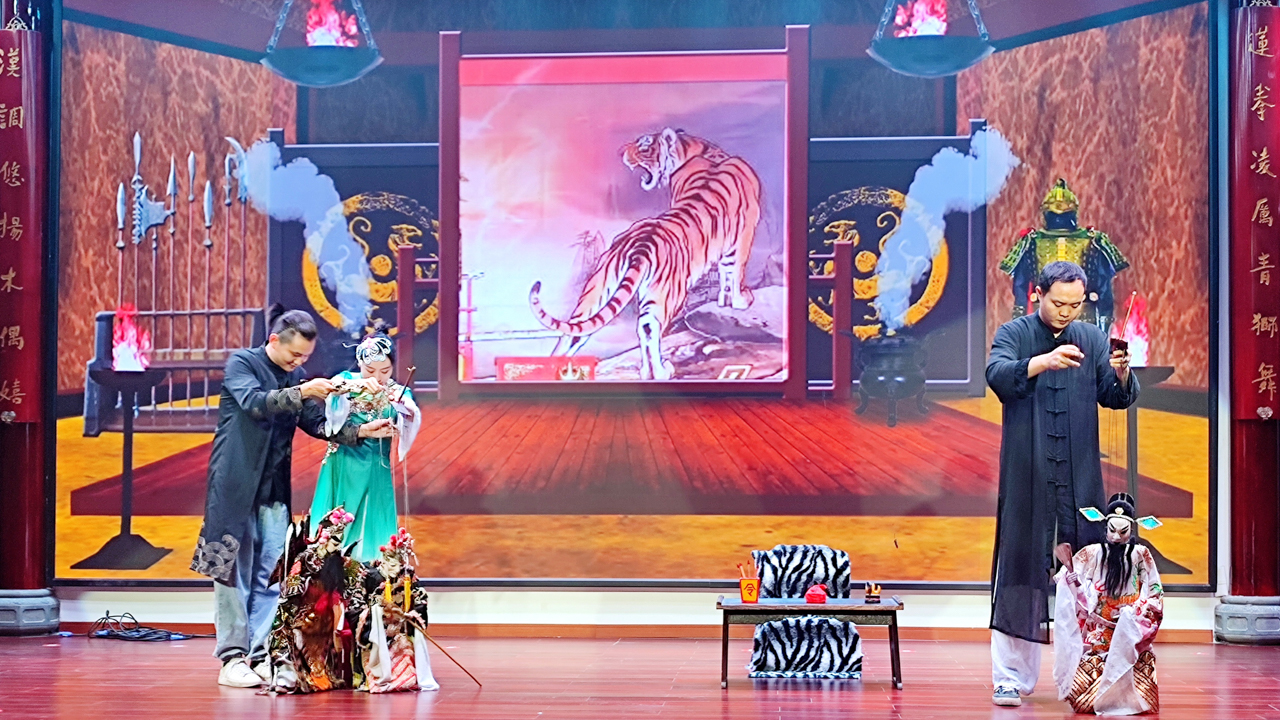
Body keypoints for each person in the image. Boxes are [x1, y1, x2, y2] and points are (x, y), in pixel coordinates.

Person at [190, 306, 394, 688]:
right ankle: (231, 658)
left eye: (304, 357)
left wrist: (361, 431)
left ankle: (260, 655)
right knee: (232, 573)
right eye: (295, 354)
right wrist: (303, 390)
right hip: (234, 488)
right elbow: (255, 403)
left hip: (274, 491)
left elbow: (316, 423)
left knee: (272, 575)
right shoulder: (242, 364)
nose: (299, 362)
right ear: (274, 340)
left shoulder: (295, 376)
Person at [984, 261, 1139, 708]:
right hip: (1027, 472)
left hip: (1079, 474)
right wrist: (1042, 362)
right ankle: (1010, 678)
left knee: (1085, 578)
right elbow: (997, 374)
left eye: (1075, 305)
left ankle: (1081, 679)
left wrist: (1122, 374)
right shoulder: (1015, 333)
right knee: (1019, 574)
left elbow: (1114, 396)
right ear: (1038, 294)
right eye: (1058, 303)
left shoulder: (1091, 338)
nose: (1067, 312)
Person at [309, 332, 421, 562]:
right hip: (344, 459)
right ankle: (332, 570)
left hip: (376, 462)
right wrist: (357, 383)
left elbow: (410, 415)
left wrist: (403, 407)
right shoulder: (346, 381)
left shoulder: (397, 391)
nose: (378, 377)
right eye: (370, 370)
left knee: (373, 515)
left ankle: (372, 569)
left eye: (385, 371)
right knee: (339, 516)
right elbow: (332, 389)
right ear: (359, 363)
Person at [1053, 493, 1163, 715]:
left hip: (1129, 629)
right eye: (1112, 531)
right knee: (1084, 703)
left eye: (1123, 532)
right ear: (1105, 527)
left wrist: (1134, 613)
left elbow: (1154, 592)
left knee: (1142, 698)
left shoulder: (1141, 554)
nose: (1116, 537)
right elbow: (1066, 578)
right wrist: (1073, 582)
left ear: (1132, 529)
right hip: (1098, 631)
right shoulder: (1092, 552)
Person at [263, 507, 368, 694]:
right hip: (304, 611)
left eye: (340, 540)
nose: (338, 545)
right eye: (335, 540)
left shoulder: (340, 561)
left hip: (328, 615)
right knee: (285, 629)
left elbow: (353, 584)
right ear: (324, 537)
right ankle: (288, 674)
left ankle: (332, 675)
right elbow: (293, 581)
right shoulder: (306, 558)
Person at [354, 527, 438, 693]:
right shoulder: (369, 576)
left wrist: (411, 614)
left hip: (399, 629)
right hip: (376, 631)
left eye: (398, 566)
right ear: (384, 561)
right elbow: (356, 604)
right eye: (392, 565)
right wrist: (375, 613)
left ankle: (404, 677)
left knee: (405, 649)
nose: (395, 570)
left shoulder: (406, 575)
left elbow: (420, 598)